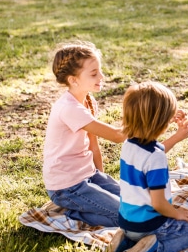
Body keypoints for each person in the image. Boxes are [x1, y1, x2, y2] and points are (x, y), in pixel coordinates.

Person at [108, 81, 188, 252]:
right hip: (150, 225)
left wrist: (177, 136)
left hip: (127, 223)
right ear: (160, 122)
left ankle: (125, 241)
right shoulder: (156, 158)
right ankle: (151, 249)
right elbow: (159, 204)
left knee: (138, 231)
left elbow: (154, 153)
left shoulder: (129, 145)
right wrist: (177, 213)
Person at [43, 41, 126, 227]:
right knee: (126, 217)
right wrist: (149, 116)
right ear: (73, 80)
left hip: (88, 175)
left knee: (135, 203)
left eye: (100, 71)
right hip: (66, 187)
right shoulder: (69, 108)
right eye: (94, 73)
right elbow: (117, 136)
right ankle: (72, 212)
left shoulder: (88, 101)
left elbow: (93, 145)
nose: (102, 76)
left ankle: (86, 204)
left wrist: (100, 180)